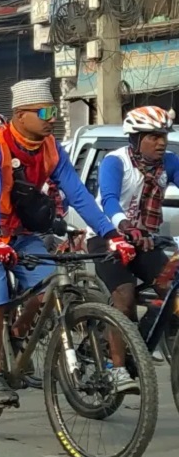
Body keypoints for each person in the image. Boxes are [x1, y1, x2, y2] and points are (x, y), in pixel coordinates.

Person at [0, 79, 135, 404]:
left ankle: (17, 334)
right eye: (44, 112)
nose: (52, 118)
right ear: (20, 115)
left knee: (47, 286)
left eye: (53, 111)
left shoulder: (51, 147)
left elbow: (78, 194)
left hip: (22, 234)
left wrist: (111, 234)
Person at [90, 106, 179, 388]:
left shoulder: (169, 162)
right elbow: (109, 199)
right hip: (107, 236)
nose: (161, 142)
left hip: (144, 239)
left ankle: (141, 340)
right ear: (136, 139)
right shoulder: (115, 162)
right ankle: (116, 367)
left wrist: (138, 233)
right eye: (153, 136)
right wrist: (125, 226)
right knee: (125, 296)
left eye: (163, 136)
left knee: (172, 289)